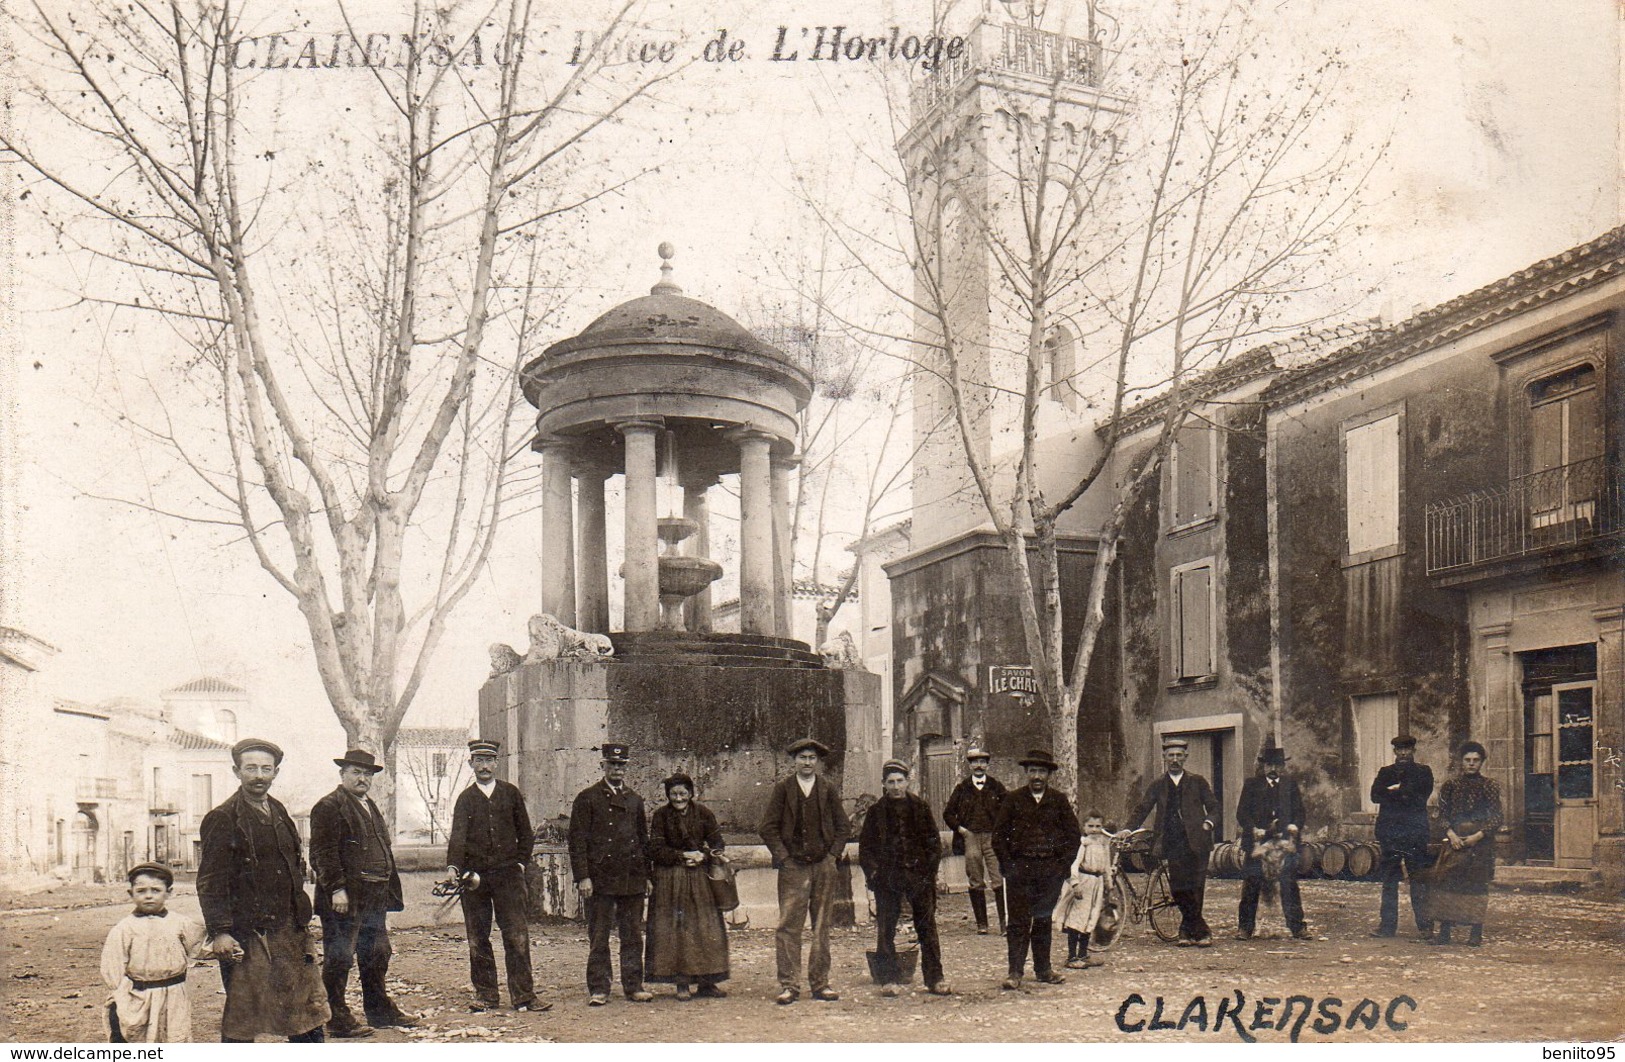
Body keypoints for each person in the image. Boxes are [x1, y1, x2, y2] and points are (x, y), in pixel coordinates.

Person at [197, 737, 330, 1042]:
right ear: (237, 771)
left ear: (276, 773)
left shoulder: (279, 811)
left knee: (305, 1007)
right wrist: (220, 931)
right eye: (251, 768)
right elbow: (210, 881)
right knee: (245, 1013)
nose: (259, 775)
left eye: (266, 769)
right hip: (249, 931)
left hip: (289, 928)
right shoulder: (223, 818)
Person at [309, 749, 417, 1037]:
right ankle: (336, 1017)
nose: (362, 778)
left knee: (378, 952)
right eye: (356, 772)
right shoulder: (329, 806)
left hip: (375, 895)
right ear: (342, 774)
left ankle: (379, 1010)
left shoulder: (369, 805)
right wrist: (337, 889)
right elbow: (322, 853)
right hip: (345, 897)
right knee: (340, 956)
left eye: (367, 774)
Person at [446, 739, 544, 1013]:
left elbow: (526, 833)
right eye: (479, 761)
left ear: (496, 763)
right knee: (478, 937)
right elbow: (457, 838)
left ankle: (524, 996)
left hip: (508, 878)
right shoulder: (465, 799)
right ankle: (486, 995)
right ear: (471, 764)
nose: (484, 766)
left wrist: (521, 865)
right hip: (474, 879)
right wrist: (454, 867)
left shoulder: (510, 794)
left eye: (489, 760)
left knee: (516, 935)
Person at [759, 736, 851, 1005]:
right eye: (802, 758)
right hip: (793, 868)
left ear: (818, 761)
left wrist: (833, 855)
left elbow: (843, 826)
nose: (807, 762)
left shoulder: (827, 789)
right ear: (794, 761)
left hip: (823, 866)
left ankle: (820, 983)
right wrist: (784, 857)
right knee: (788, 926)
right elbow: (767, 827)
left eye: (812, 758)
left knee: (821, 925)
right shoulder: (784, 789)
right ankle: (789, 985)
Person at [569, 742, 652, 1006]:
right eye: (612, 764)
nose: (617, 769)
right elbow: (577, 841)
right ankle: (599, 988)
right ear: (602, 765)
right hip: (600, 879)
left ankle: (633, 985)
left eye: (621, 765)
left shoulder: (635, 800)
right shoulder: (587, 798)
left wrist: (647, 876)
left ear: (626, 768)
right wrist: (583, 876)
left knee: (632, 935)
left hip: (631, 878)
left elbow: (642, 840)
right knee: (599, 936)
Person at [859, 759, 952, 997]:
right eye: (891, 782)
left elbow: (934, 843)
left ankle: (935, 978)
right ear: (883, 784)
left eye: (900, 781)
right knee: (886, 928)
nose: (896, 786)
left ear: (908, 782)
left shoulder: (920, 807)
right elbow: (866, 848)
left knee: (927, 927)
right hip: (888, 878)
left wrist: (928, 873)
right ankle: (888, 978)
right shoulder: (876, 812)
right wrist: (874, 873)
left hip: (918, 876)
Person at [992, 748, 1080, 990]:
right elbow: (998, 837)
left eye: (1041, 771)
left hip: (1049, 872)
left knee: (1042, 921)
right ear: (1026, 773)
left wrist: (1062, 866)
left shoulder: (1059, 800)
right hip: (1020, 871)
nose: (1037, 776)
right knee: (1018, 922)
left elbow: (1073, 836)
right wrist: (1008, 867)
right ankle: (1015, 972)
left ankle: (1043, 970)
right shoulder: (1013, 799)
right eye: (1032, 771)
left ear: (1048, 774)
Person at [100, 862, 210, 1043]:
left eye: (156, 890)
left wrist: (229, 948)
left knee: (174, 1038)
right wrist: (122, 998)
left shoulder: (180, 923)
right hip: (139, 996)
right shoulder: (124, 929)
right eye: (141, 891)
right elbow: (112, 967)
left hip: (174, 995)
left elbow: (200, 946)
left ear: (169, 892)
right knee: (139, 1039)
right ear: (131, 893)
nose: (149, 896)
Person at [644, 773, 729, 1000]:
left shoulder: (704, 814)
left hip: (700, 878)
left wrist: (704, 855)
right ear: (667, 795)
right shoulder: (661, 816)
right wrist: (682, 855)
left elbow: (718, 843)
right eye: (673, 794)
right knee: (677, 930)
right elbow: (655, 849)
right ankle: (681, 982)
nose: (678, 798)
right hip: (671, 879)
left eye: (683, 793)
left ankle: (707, 982)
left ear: (691, 793)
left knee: (705, 928)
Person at [1129, 736, 1219, 947]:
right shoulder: (1158, 784)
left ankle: (1186, 932)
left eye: (1179, 755)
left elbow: (1214, 807)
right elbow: (1143, 808)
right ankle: (1200, 930)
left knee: (1196, 887)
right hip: (1172, 842)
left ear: (1185, 757)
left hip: (1197, 841)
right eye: (1171, 756)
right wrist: (1128, 829)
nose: (1175, 759)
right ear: (1164, 758)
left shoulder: (1198, 781)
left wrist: (1208, 823)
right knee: (1179, 888)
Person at [1422, 741, 1502, 947]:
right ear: (1461, 762)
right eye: (1467, 760)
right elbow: (1440, 814)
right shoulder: (1451, 786)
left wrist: (1479, 835)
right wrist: (1451, 835)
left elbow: (1496, 817)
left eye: (1476, 760)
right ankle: (1445, 932)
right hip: (1455, 842)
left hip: (1480, 843)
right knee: (1447, 882)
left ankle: (1475, 933)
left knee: (1476, 885)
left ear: (1482, 762)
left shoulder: (1490, 786)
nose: (1471, 764)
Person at [1234, 740, 1311, 941]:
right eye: (1269, 765)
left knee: (1289, 885)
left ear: (1283, 767)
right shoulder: (1251, 785)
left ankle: (1298, 927)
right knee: (1251, 884)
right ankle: (1245, 927)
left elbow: (1300, 813)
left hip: (1284, 845)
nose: (1273, 769)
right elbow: (1242, 813)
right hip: (1258, 845)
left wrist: (1296, 825)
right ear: (1264, 766)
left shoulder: (1290, 785)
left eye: (1277, 765)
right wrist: (1252, 829)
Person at [1369, 733, 1434, 938]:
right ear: (1395, 751)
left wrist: (1396, 791)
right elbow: (1374, 795)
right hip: (1390, 834)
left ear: (1413, 750)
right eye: (1399, 749)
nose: (1403, 753)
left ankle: (1425, 926)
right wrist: (1403, 792)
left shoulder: (1424, 772)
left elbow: (1420, 796)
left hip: (1415, 834)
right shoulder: (1385, 772)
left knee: (1418, 879)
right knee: (1389, 881)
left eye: (1407, 749)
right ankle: (1387, 927)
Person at [941, 746, 1008, 935]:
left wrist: (1000, 831)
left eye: (982, 762)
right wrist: (962, 830)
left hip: (992, 839)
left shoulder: (996, 786)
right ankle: (982, 924)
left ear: (987, 765)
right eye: (975, 762)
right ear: (970, 766)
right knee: (975, 879)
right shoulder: (962, 788)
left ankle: (1004, 924)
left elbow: (1008, 811)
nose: (979, 765)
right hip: (970, 837)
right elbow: (948, 814)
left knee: (998, 878)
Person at [1058, 813, 1112, 969]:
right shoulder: (1083, 844)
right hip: (1084, 881)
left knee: (1091, 917)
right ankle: (1071, 956)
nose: (1094, 830)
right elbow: (1074, 864)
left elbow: (1106, 865)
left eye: (1098, 826)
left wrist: (1108, 882)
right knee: (1077, 918)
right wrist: (1075, 883)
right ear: (1084, 827)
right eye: (1091, 826)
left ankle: (1083, 954)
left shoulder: (1103, 844)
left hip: (1097, 882)